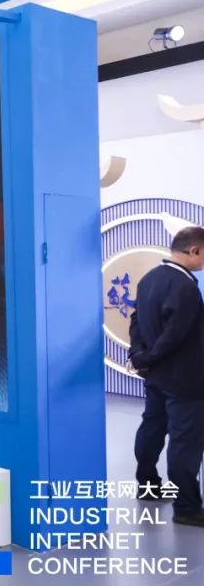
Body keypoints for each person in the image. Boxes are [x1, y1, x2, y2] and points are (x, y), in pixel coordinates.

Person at [129, 226, 204, 527]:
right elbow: (174, 337)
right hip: (185, 379)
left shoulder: (149, 279)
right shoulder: (186, 287)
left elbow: (136, 321)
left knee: (152, 427)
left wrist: (139, 355)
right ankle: (186, 507)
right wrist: (148, 357)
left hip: (156, 376)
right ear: (194, 251)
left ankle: (147, 485)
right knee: (185, 442)